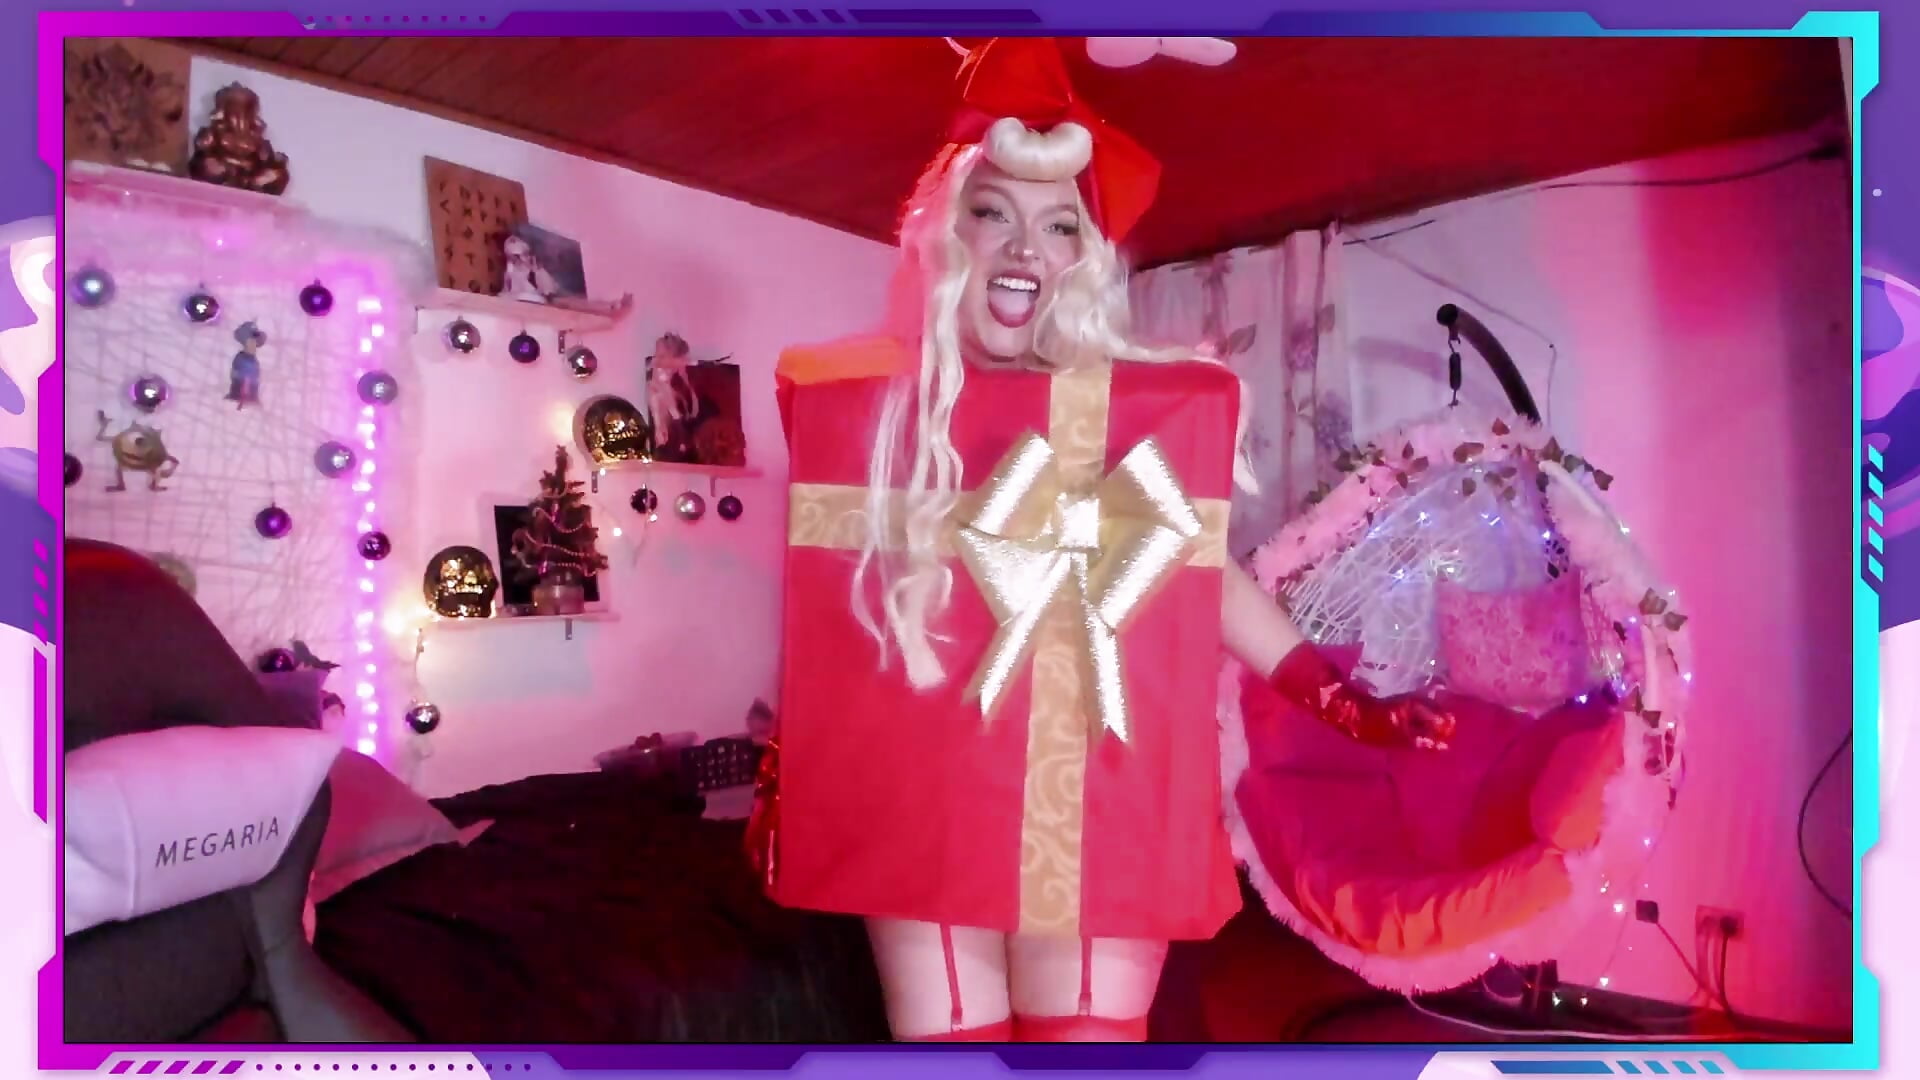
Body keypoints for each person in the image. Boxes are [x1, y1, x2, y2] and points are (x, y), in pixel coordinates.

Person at [755, 38, 1454, 1043]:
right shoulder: (872, 414)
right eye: (992, 213)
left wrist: (1338, 697)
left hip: (1093, 797)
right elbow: (839, 601)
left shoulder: (1139, 411)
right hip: (929, 800)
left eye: (1057, 225)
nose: (1024, 250)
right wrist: (798, 760)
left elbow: (1196, 573)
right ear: (944, 235)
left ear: (1082, 259)